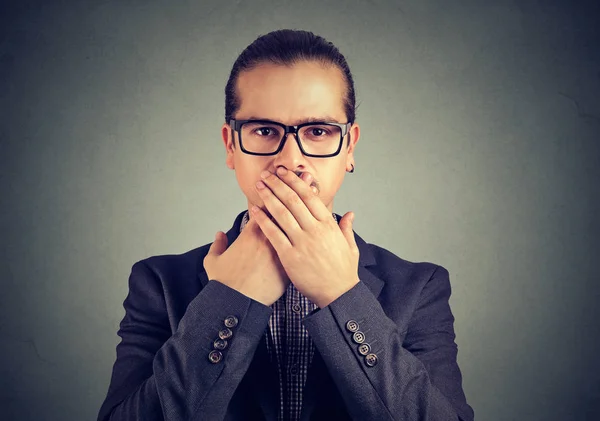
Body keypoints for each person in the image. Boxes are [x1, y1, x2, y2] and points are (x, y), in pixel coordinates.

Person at [97, 29, 475, 421]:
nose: (291, 159)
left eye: (318, 131)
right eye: (265, 131)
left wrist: (341, 295)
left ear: (349, 147)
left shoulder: (420, 287)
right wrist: (227, 298)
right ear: (230, 145)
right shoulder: (157, 283)